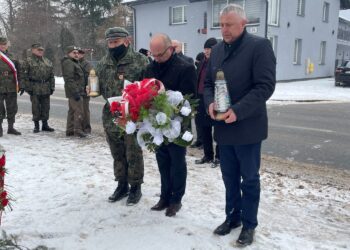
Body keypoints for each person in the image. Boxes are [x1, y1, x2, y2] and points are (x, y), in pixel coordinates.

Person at [203, 4, 276, 247]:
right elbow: (208, 85)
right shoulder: (216, 50)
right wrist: (210, 104)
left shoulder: (259, 46)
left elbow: (265, 86)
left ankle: (249, 224)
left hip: (247, 128)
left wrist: (238, 110)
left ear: (243, 23)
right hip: (223, 128)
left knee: (249, 179)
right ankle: (232, 217)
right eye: (221, 24)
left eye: (229, 24)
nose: (224, 29)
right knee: (229, 177)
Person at [95, 27, 148, 205]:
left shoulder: (141, 61)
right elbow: (99, 87)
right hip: (111, 114)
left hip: (133, 115)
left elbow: (148, 88)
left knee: (133, 151)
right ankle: (121, 184)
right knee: (117, 152)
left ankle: (135, 187)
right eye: (110, 42)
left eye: (116, 42)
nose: (112, 45)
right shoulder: (103, 63)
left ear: (127, 41)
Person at [145, 33, 196, 217]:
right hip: (157, 124)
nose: (157, 59)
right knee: (162, 160)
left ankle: (176, 199)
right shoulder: (149, 68)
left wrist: (169, 105)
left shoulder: (186, 68)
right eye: (154, 55)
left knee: (177, 162)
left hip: (178, 124)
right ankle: (164, 196)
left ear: (171, 49)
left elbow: (191, 98)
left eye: (160, 55)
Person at [194, 37, 220, 168]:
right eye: (205, 48)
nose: (206, 51)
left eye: (209, 48)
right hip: (200, 99)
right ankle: (208, 155)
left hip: (214, 100)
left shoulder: (220, 62)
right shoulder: (202, 62)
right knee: (204, 129)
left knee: (218, 130)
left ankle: (219, 157)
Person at [21, 43, 55, 133]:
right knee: (35, 107)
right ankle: (36, 125)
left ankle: (45, 124)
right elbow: (24, 75)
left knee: (46, 107)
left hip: (46, 87)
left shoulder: (47, 61)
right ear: (32, 50)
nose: (40, 51)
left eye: (41, 50)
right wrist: (28, 88)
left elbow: (52, 75)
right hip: (34, 87)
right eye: (38, 50)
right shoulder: (28, 61)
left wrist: (52, 87)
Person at [61, 45, 87, 138]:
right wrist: (75, 92)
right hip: (75, 91)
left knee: (72, 111)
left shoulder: (74, 62)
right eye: (74, 53)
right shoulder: (69, 63)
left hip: (76, 90)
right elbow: (69, 79)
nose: (76, 54)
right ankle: (78, 130)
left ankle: (70, 130)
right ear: (69, 53)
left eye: (77, 53)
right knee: (79, 111)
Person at [0, 36, 23, 137]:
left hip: (11, 87)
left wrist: (21, 84)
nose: (3, 46)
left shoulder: (12, 56)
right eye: (1, 44)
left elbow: (19, 71)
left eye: (5, 44)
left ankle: (11, 127)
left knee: (12, 108)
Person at [78, 48, 92, 134]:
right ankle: (79, 127)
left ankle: (87, 128)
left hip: (84, 90)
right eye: (77, 53)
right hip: (77, 90)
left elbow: (90, 77)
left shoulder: (86, 64)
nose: (78, 55)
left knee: (85, 110)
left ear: (83, 55)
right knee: (78, 110)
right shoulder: (74, 62)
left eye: (80, 54)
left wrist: (88, 89)